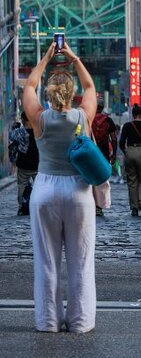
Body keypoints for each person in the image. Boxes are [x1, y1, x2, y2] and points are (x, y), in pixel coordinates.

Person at [21, 43, 98, 333]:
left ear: (49, 93)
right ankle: (80, 321)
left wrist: (46, 58)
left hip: (45, 189)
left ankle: (48, 321)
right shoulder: (83, 116)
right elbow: (90, 86)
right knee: (81, 260)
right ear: (71, 92)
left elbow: (29, 85)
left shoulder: (39, 118)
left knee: (46, 261)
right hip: (78, 190)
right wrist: (75, 58)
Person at [10, 110, 40, 216]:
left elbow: (11, 136)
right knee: (39, 187)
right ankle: (38, 207)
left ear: (23, 120)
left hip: (23, 165)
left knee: (21, 186)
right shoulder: (39, 131)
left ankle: (21, 207)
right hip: (37, 165)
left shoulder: (19, 132)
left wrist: (15, 127)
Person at [91, 103, 118, 213]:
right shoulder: (108, 121)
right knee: (102, 179)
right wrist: (114, 154)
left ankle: (91, 203)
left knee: (90, 178)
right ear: (102, 109)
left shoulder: (89, 118)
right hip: (104, 153)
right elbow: (114, 139)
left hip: (90, 152)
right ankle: (99, 206)